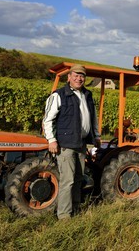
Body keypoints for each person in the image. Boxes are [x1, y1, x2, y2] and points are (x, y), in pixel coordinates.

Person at [43, 64, 101, 220]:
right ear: (69, 77)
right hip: (66, 144)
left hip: (81, 143)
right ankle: (64, 215)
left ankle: (74, 208)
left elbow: (93, 118)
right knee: (68, 180)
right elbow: (48, 119)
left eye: (82, 76)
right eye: (75, 75)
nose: (79, 78)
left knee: (78, 178)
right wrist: (52, 140)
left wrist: (96, 136)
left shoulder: (87, 95)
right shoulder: (59, 95)